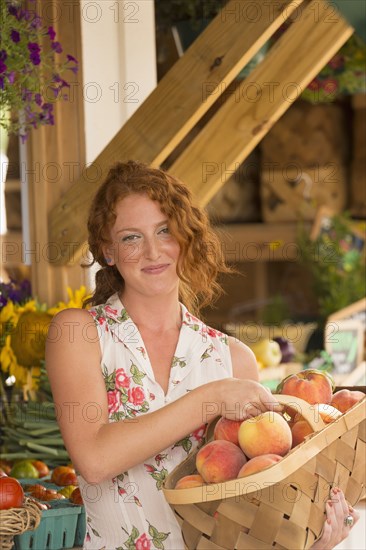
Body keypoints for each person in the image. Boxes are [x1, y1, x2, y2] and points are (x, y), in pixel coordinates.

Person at [46, 161, 359, 550]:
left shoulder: (232, 359)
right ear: (108, 252)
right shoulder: (80, 333)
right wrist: (210, 399)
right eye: (131, 238)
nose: (153, 250)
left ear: (186, 237)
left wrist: (311, 539)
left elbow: (246, 515)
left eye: (165, 231)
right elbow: (94, 460)